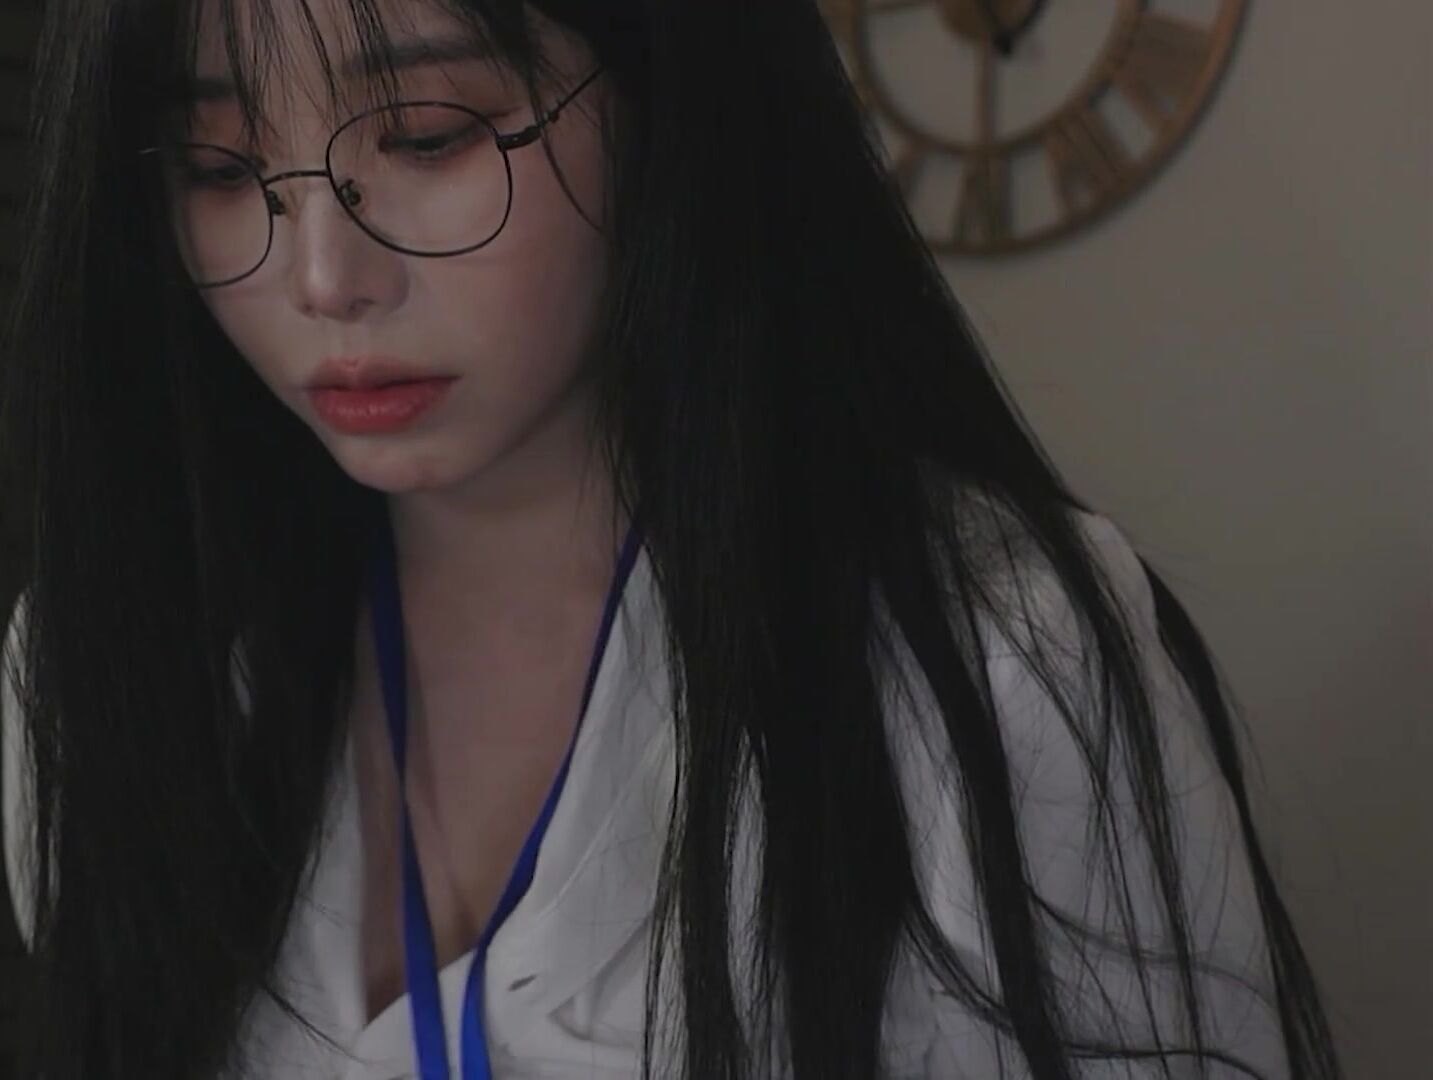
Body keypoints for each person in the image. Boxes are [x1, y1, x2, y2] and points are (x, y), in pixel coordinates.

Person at [0, 0, 1342, 1077]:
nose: (322, 277)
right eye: (221, 169)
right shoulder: (95, 670)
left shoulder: (988, 658)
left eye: (426, 136)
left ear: (667, 99)